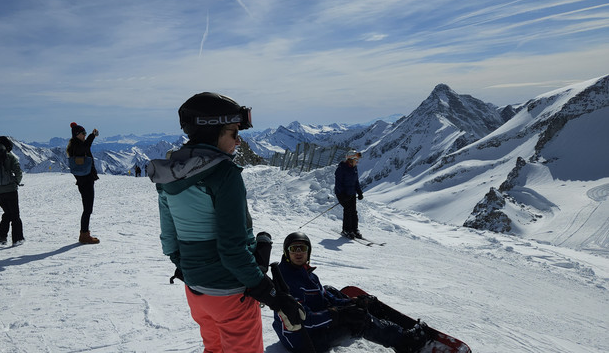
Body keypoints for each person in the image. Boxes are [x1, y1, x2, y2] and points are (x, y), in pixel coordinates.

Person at [148, 92, 304, 352]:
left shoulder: (170, 173)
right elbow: (231, 250)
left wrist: (191, 270)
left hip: (196, 292)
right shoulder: (224, 173)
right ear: (214, 132)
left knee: (214, 348)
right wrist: (270, 293)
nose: (238, 140)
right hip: (230, 294)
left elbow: (170, 241)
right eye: (233, 132)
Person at [273, 232, 433, 353]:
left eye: (303, 248)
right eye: (294, 249)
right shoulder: (287, 282)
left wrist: (351, 302)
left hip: (311, 328)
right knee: (359, 320)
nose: (299, 252)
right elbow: (305, 321)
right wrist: (340, 314)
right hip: (304, 341)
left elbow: (324, 296)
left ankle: (373, 316)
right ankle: (404, 342)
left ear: (309, 252)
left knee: (329, 290)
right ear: (287, 252)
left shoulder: (306, 273)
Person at [66, 122, 100, 244]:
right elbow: (86, 147)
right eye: (83, 133)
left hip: (83, 180)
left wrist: (91, 135)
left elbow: (86, 147)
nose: (84, 135)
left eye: (85, 133)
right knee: (87, 209)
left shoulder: (75, 145)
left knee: (87, 208)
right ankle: (84, 235)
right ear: (77, 134)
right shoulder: (78, 145)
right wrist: (92, 135)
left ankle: (84, 233)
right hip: (85, 180)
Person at [334, 150, 364, 239]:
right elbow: (338, 183)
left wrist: (359, 192)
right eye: (356, 160)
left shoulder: (354, 168)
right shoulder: (341, 168)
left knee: (354, 211)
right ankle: (346, 230)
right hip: (342, 193)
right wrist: (343, 194)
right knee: (348, 210)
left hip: (351, 193)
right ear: (351, 159)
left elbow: (356, 181)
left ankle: (354, 229)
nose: (357, 162)